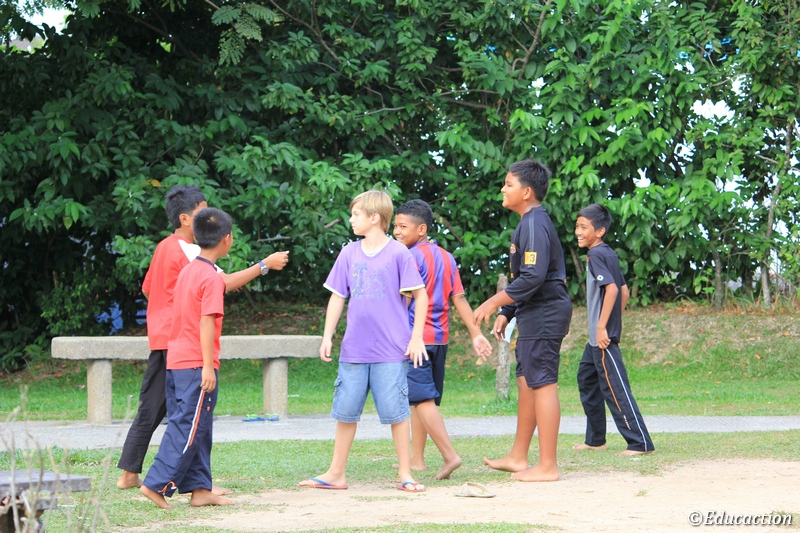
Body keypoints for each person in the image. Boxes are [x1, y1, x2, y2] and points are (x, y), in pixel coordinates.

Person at [117, 185, 289, 492]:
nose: (208, 215)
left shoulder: (164, 246)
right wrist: (264, 265)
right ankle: (174, 483)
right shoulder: (188, 250)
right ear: (185, 219)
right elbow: (223, 283)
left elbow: (147, 288)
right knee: (189, 415)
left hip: (166, 338)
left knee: (158, 407)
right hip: (184, 342)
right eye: (202, 211)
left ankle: (157, 478)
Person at [298, 190, 429, 493]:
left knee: (397, 413)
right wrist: (327, 336)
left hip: (391, 351)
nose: (351, 219)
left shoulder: (399, 254)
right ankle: (336, 473)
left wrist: (416, 337)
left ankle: (405, 473)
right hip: (354, 351)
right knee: (345, 412)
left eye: (356, 214)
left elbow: (420, 296)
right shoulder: (348, 253)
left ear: (374, 218)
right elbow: (337, 296)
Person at [473, 159, 572, 482]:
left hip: (546, 312)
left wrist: (494, 302)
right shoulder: (527, 223)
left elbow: (533, 277)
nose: (503, 189)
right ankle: (518, 456)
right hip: (534, 311)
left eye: (509, 184)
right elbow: (527, 278)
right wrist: (508, 312)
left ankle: (548, 466)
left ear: (526, 192)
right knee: (526, 381)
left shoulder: (533, 223)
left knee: (542, 382)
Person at [140, 207, 235, 508]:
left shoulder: (188, 271)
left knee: (199, 426)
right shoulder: (211, 278)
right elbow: (207, 322)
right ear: (227, 239)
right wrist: (207, 366)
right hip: (196, 363)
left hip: (176, 361)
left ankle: (200, 489)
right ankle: (156, 484)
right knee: (188, 426)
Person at [393, 199, 492, 480]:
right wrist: (475, 333)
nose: (397, 232)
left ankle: (450, 456)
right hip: (439, 340)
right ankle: (417, 459)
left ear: (421, 229)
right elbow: (458, 298)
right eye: (395, 226)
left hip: (416, 340)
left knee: (421, 400)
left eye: (403, 227)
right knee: (422, 399)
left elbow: (403, 301)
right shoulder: (447, 257)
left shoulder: (409, 258)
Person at [573, 203, 654, 456]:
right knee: (587, 380)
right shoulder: (607, 253)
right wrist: (613, 321)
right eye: (577, 226)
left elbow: (612, 290)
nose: (578, 232)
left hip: (601, 338)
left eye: (583, 227)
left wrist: (603, 327)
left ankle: (639, 443)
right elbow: (624, 291)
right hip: (595, 339)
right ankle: (595, 439)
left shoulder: (596, 255)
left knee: (615, 389)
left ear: (600, 231)